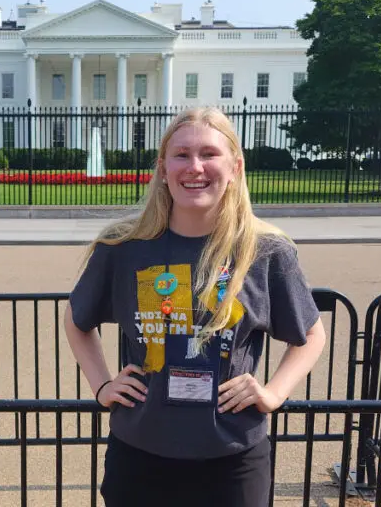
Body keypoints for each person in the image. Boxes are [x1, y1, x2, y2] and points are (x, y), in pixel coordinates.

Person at [64, 107, 327, 506]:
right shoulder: (122, 247)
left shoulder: (266, 250)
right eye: (182, 155)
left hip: (232, 456)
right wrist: (102, 385)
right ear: (163, 167)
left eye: (209, 154)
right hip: (141, 452)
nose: (195, 167)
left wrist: (273, 393)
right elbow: (77, 319)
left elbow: (310, 334)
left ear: (235, 166)